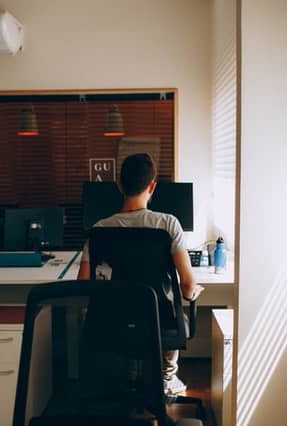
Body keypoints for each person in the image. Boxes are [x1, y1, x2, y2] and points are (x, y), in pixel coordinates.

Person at [78, 152, 204, 396]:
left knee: (127, 323)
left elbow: (84, 285)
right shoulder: (168, 225)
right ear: (152, 186)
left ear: (119, 185)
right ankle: (167, 377)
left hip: (111, 322)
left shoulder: (99, 230)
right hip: (158, 321)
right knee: (171, 312)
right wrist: (193, 292)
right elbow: (188, 287)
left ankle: (129, 377)